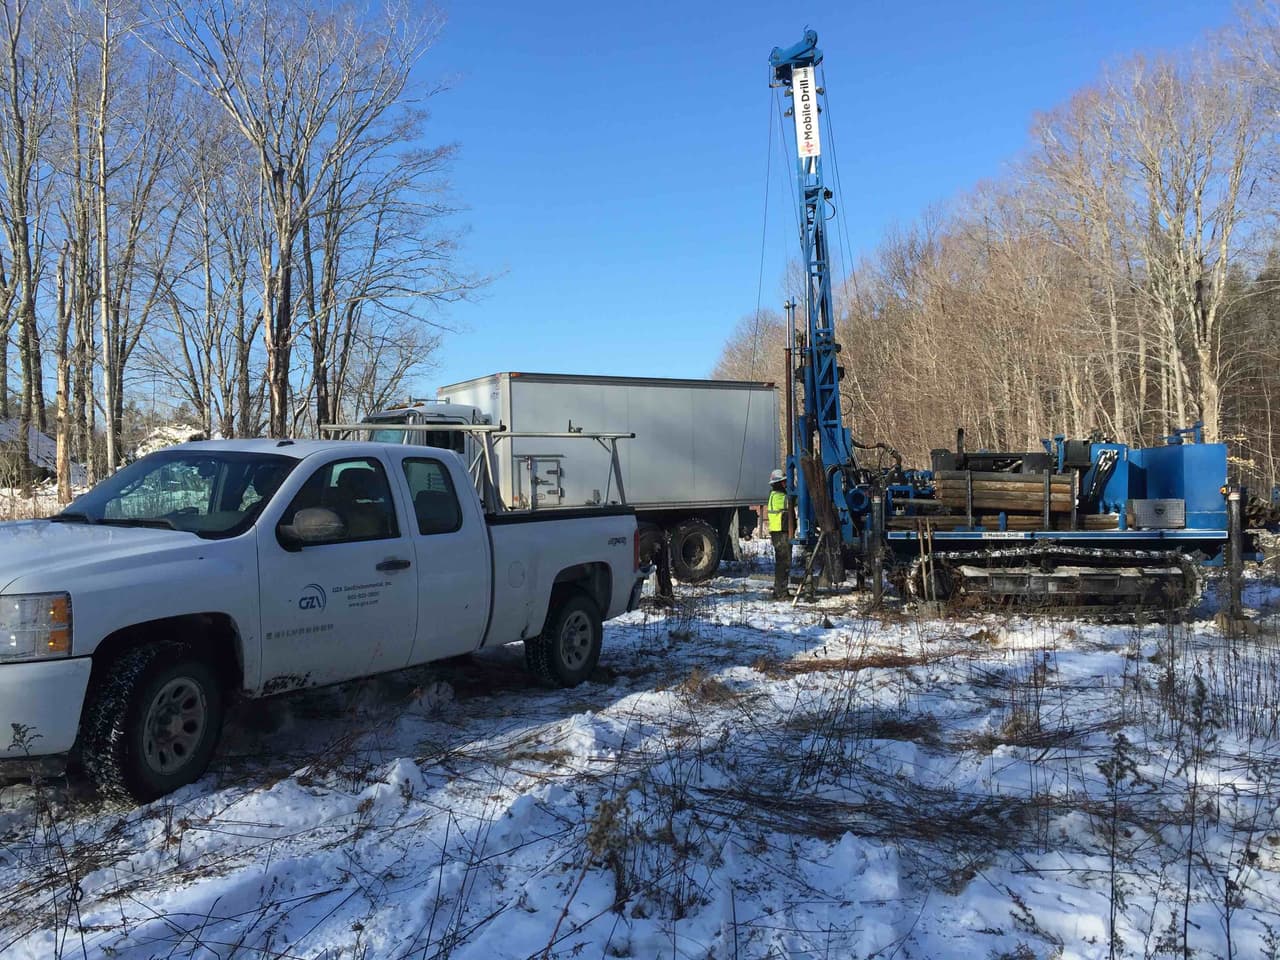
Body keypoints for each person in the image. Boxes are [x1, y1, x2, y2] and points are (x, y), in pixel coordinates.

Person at [767, 468, 791, 600]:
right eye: (784, 482)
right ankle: (781, 592)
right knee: (784, 562)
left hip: (777, 532)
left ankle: (779, 591)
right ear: (779, 483)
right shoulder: (779, 497)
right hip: (781, 532)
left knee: (781, 562)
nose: (786, 484)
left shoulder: (774, 495)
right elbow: (793, 501)